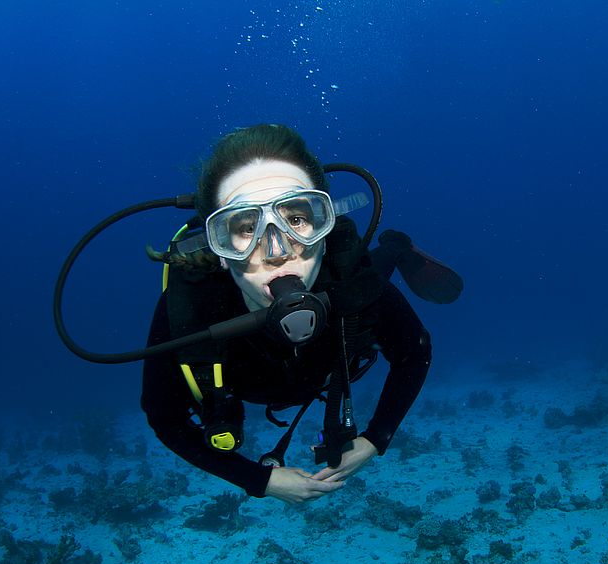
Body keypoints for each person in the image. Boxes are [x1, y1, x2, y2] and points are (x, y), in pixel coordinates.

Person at [140, 124, 461, 504]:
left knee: (374, 272)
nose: (277, 251)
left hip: (349, 289)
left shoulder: (352, 284)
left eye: (295, 219)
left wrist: (376, 439)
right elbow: (165, 418)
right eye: (245, 227)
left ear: (323, 231)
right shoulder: (189, 313)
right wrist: (260, 480)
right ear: (219, 251)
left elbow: (414, 350)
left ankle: (395, 246)